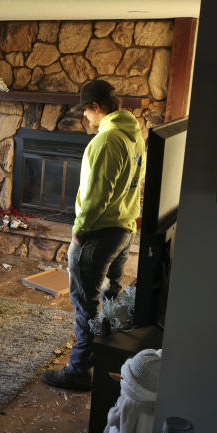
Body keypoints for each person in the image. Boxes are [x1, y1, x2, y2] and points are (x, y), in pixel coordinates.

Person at [41, 79, 145, 390]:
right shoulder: (134, 134)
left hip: (99, 233)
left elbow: (97, 196)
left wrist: (80, 232)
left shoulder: (106, 141)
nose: (86, 117)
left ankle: (77, 371)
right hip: (125, 228)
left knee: (85, 303)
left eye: (86, 111)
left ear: (96, 107)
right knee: (110, 298)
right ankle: (104, 358)